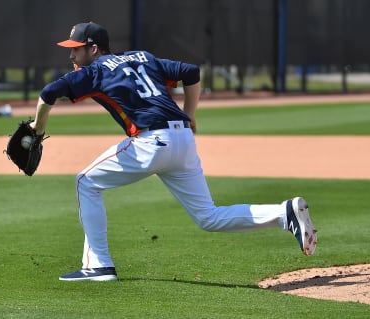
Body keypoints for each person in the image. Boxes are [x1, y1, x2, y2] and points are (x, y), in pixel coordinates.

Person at [30, 22, 317, 282]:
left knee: (85, 182)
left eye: (76, 50)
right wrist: (189, 114)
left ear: (93, 49)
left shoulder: (95, 71)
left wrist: (38, 129)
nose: (71, 57)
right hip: (183, 141)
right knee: (208, 217)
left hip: (150, 142)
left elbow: (48, 93)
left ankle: (99, 266)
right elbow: (191, 72)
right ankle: (284, 213)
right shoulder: (143, 56)